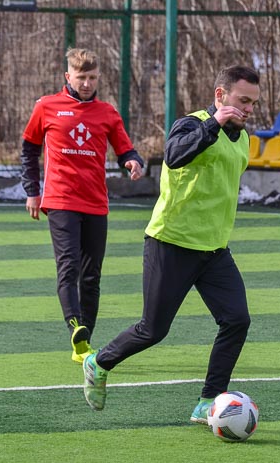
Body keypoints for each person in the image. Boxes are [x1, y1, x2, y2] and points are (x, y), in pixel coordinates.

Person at [82, 65, 260, 424]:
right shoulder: (192, 124)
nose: (248, 109)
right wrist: (214, 125)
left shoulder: (243, 138)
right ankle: (99, 362)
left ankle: (208, 400)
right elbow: (174, 155)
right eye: (243, 100)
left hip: (214, 250)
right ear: (220, 96)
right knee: (153, 330)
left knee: (237, 320)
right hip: (171, 243)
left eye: (254, 103)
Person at [20, 47, 144, 364]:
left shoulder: (108, 113)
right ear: (68, 77)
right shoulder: (46, 107)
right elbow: (29, 148)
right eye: (81, 77)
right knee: (69, 268)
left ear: (98, 77)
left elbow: (125, 149)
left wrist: (132, 162)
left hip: (96, 203)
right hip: (60, 200)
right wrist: (32, 190)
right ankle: (76, 329)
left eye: (91, 77)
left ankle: (85, 341)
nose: (87, 83)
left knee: (91, 276)